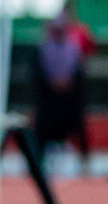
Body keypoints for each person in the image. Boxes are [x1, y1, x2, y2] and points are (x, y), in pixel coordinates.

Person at [33, 15, 88, 174]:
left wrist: (67, 84)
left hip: (69, 101)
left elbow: (79, 75)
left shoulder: (73, 49)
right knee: (41, 127)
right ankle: (37, 163)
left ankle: (85, 164)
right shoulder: (43, 49)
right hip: (49, 101)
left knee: (79, 125)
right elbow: (38, 75)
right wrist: (53, 84)